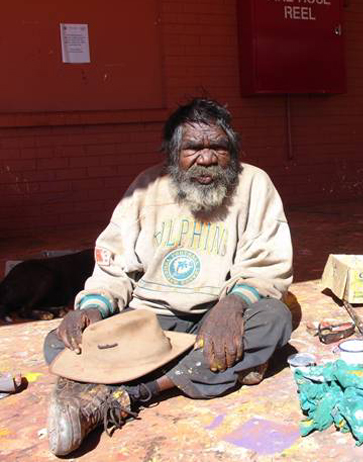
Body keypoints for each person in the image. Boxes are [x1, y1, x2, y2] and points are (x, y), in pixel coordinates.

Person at [44, 98, 294, 456]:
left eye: (218, 148)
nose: (206, 159)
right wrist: (94, 308)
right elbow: (115, 265)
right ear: (172, 152)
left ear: (233, 152)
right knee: (59, 342)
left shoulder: (254, 184)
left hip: (215, 318)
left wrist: (235, 304)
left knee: (273, 318)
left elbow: (267, 263)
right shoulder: (146, 188)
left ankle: (127, 394)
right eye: (194, 148)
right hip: (148, 321)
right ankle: (223, 368)